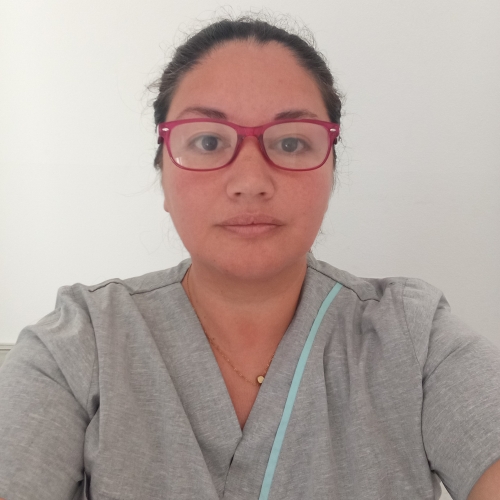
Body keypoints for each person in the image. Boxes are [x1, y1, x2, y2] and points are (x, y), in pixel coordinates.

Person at [0, 15, 499, 500]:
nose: (251, 182)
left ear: (331, 172)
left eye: (291, 142)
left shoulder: (413, 337)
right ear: (163, 176)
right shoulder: (82, 341)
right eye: (208, 141)